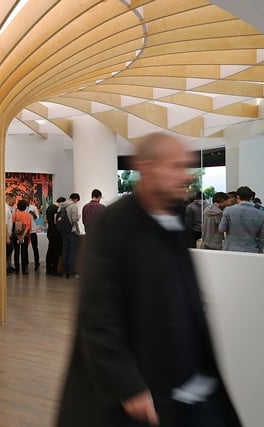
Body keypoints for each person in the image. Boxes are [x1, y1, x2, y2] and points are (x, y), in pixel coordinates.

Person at [56, 133, 242, 427]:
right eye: (176, 166)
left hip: (194, 388)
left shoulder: (174, 218)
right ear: (148, 168)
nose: (185, 176)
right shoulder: (113, 223)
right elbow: (96, 313)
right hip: (146, 396)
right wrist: (128, 385)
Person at [218, 186, 264, 253]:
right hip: (251, 249)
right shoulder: (261, 212)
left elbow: (221, 229)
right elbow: (262, 236)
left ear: (238, 197)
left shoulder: (228, 210)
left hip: (230, 249)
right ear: (251, 197)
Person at [59, 193, 81, 279]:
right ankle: (72, 273)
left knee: (65, 252)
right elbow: (74, 219)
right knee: (72, 252)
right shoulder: (73, 206)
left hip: (64, 232)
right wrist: (78, 217)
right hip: (72, 232)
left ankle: (65, 272)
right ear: (75, 199)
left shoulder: (62, 206)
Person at [44, 196, 65, 276]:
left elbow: (46, 220)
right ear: (61, 202)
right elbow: (56, 221)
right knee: (56, 251)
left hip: (50, 231)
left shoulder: (49, 208)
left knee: (50, 250)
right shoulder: (56, 209)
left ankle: (48, 269)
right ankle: (54, 270)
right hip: (56, 232)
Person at [11, 199, 32, 274]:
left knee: (16, 252)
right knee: (24, 252)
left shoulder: (15, 214)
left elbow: (13, 226)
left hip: (16, 235)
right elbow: (28, 227)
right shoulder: (28, 215)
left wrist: (18, 236)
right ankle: (24, 269)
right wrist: (22, 236)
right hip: (25, 235)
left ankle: (17, 269)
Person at [26, 197, 42, 271]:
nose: (26, 200)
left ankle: (37, 264)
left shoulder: (33, 207)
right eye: (25, 199)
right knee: (24, 248)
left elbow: (37, 218)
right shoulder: (22, 208)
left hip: (33, 231)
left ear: (30, 200)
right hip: (25, 231)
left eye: (27, 199)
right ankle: (25, 263)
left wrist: (32, 214)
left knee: (35, 248)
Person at [5, 193, 16, 275]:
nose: (14, 201)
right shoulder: (6, 209)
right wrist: (7, 237)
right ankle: (4, 269)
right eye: (13, 199)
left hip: (9, 234)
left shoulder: (9, 208)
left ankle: (7, 267)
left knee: (9, 250)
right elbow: (4, 224)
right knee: (7, 251)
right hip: (6, 235)